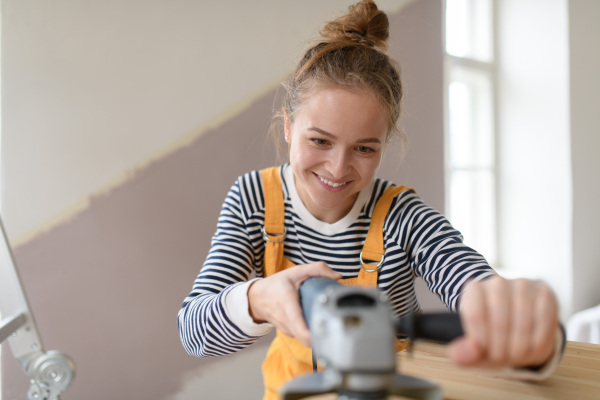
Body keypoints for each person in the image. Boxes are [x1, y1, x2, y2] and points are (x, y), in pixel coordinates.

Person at [178, 1, 564, 399]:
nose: (338, 168)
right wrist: (259, 299)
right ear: (288, 127)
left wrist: (525, 333)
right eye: (320, 140)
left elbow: (476, 287)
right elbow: (194, 332)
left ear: (384, 144)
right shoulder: (253, 199)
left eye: (364, 149)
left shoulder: (403, 217)